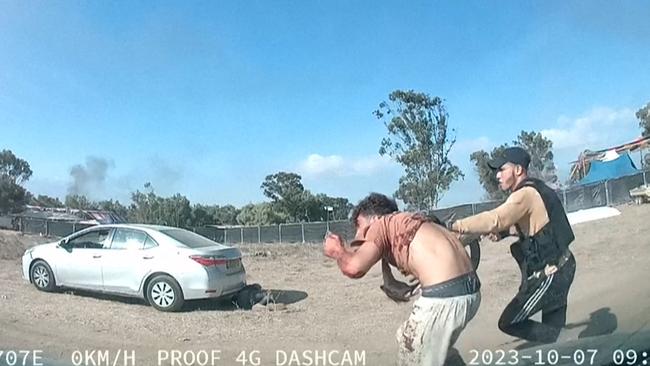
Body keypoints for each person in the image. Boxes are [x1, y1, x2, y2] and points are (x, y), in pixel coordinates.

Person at [323, 193, 481, 366]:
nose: (358, 234)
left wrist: (337, 250)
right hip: (469, 292)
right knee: (434, 350)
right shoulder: (413, 221)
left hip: (445, 299)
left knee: (409, 349)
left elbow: (354, 268)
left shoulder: (381, 225)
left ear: (374, 218)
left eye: (359, 225)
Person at [450, 146, 577, 344]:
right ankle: (566, 343)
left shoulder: (524, 194)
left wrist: (454, 225)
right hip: (563, 265)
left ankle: (570, 340)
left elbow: (495, 219)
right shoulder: (535, 189)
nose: (498, 175)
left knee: (509, 322)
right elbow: (536, 227)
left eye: (502, 169)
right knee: (553, 333)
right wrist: (503, 233)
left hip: (553, 273)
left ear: (518, 170)